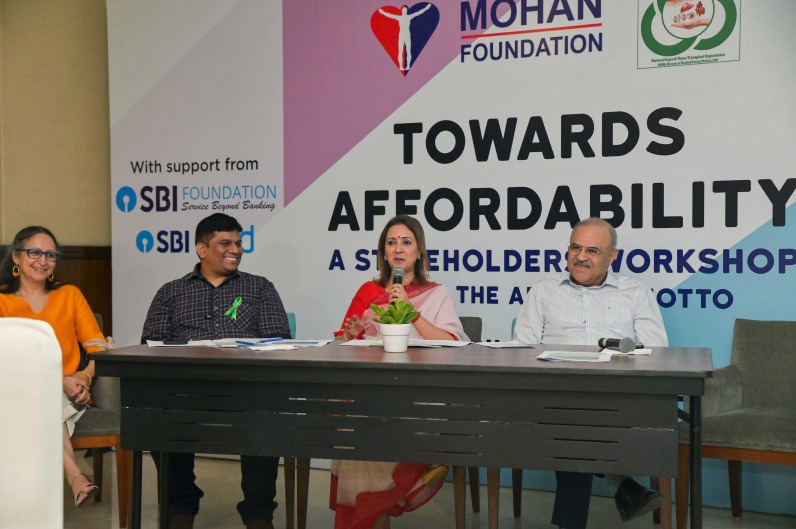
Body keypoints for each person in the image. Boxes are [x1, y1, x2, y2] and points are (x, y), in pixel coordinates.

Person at [514, 217, 668, 529]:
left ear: (613, 256)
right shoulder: (544, 290)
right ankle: (622, 483)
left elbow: (657, 352)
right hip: (555, 393)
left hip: (615, 394)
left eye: (593, 250)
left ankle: (580, 517)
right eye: (575, 247)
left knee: (576, 422)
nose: (581, 257)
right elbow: (522, 349)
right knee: (573, 415)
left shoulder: (635, 293)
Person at [141, 213, 291, 529]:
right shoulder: (171, 292)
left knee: (267, 412)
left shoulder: (260, 288)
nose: (235, 249)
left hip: (246, 389)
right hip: (187, 389)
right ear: (202, 249)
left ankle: (258, 514)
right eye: (225, 243)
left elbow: (278, 342)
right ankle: (179, 507)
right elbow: (151, 345)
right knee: (158, 411)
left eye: (238, 243)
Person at [331, 215, 468, 529]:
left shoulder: (436, 293)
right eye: (391, 243)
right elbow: (339, 345)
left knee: (370, 432)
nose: (398, 249)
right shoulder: (369, 291)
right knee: (359, 427)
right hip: (372, 394)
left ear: (419, 251)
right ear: (383, 252)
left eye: (406, 242)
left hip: (418, 396)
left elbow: (454, 344)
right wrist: (350, 335)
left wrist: (412, 311)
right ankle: (378, 514)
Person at [0, 226, 109, 508]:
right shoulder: (2, 301)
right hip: (14, 390)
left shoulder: (69, 295)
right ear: (16, 256)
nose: (43, 260)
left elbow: (98, 349)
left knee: (41, 399)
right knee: (35, 394)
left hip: (70, 393)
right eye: (34, 252)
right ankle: (74, 474)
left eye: (51, 255)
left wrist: (84, 377)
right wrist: (57, 379)